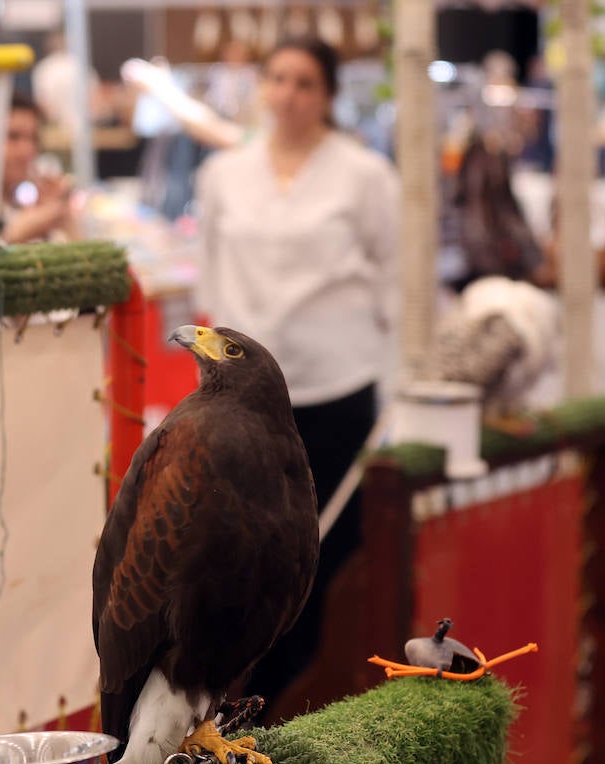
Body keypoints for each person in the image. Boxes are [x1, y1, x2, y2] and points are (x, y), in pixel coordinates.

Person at [193, 35, 399, 710]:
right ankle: (253, 698)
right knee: (248, 548)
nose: (288, 94)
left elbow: (393, 272)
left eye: (305, 82)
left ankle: (330, 691)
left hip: (336, 383)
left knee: (331, 544)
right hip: (243, 400)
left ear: (328, 95)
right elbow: (210, 271)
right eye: (278, 78)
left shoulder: (365, 175)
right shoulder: (223, 174)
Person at [0, 93, 80, 244]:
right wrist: (12, 237)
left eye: (33, 138)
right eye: (13, 137)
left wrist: (63, 214)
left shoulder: (26, 201)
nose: (27, 150)